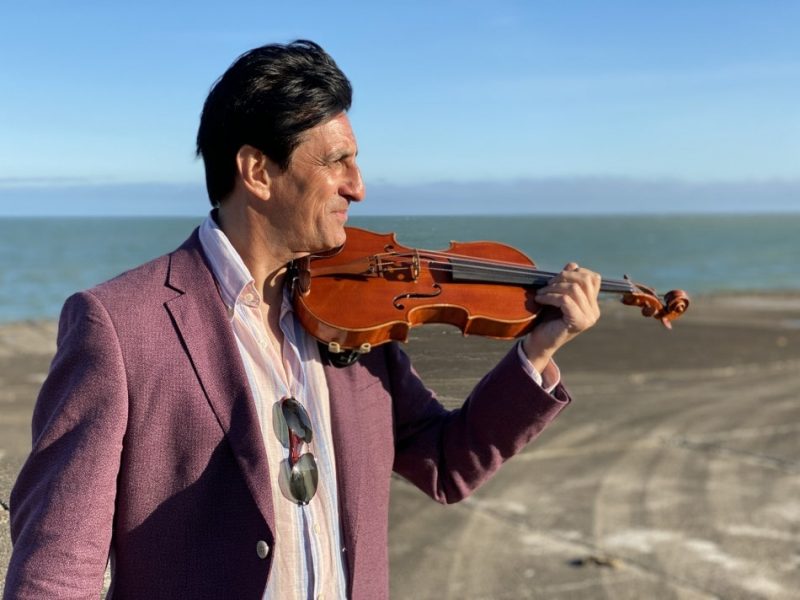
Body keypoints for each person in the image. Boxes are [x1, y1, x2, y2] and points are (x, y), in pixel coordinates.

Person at [4, 40, 601, 599]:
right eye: (337, 161)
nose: (359, 187)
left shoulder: (354, 319)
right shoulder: (118, 325)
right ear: (257, 172)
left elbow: (443, 463)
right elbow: (57, 568)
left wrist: (537, 353)